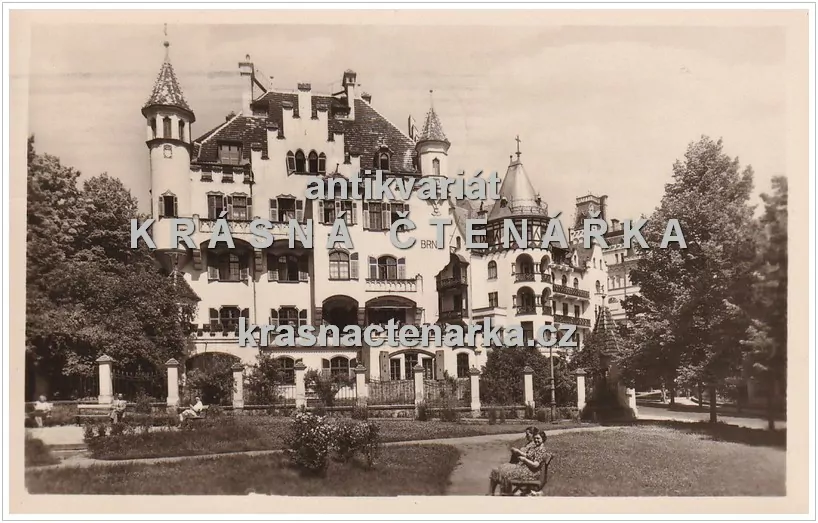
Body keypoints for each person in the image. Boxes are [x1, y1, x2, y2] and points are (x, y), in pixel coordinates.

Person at [489, 430, 549, 496]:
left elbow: (535, 465)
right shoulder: (536, 447)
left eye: (538, 438)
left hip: (531, 473)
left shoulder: (541, 450)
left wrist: (524, 460)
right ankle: (492, 493)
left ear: (543, 438)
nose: (536, 440)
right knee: (497, 470)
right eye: (535, 438)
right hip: (525, 469)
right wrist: (519, 453)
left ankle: (506, 494)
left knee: (505, 474)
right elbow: (528, 456)